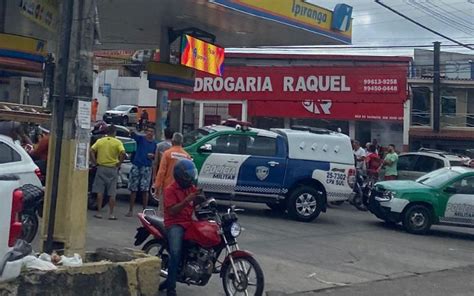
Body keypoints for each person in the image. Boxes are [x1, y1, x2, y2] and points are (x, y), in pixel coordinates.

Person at [159, 159, 199, 296]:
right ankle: (171, 289)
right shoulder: (170, 190)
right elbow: (172, 211)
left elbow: (198, 201)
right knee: (175, 253)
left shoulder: (190, 188)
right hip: (174, 224)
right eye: (188, 175)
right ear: (181, 176)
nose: (191, 177)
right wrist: (187, 200)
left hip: (189, 221)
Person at [90, 125, 126, 220]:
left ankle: (99, 212)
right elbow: (123, 152)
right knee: (112, 192)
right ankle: (111, 214)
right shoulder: (117, 142)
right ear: (114, 132)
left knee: (100, 191)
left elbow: (92, 150)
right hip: (113, 168)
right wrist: (119, 163)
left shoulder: (101, 141)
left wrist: (94, 162)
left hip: (101, 167)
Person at [153, 133, 191, 212]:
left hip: (167, 187)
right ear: (181, 143)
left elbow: (161, 172)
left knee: (163, 211)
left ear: (172, 141)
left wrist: (157, 186)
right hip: (181, 189)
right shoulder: (187, 156)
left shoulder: (167, 154)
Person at [126, 126, 157, 217]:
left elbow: (156, 157)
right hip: (137, 165)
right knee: (133, 189)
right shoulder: (141, 139)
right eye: (148, 131)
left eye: (151, 131)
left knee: (145, 190)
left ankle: (144, 211)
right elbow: (133, 134)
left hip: (147, 167)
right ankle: (130, 210)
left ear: (153, 134)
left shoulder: (155, 144)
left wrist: (153, 156)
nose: (149, 133)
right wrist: (132, 130)